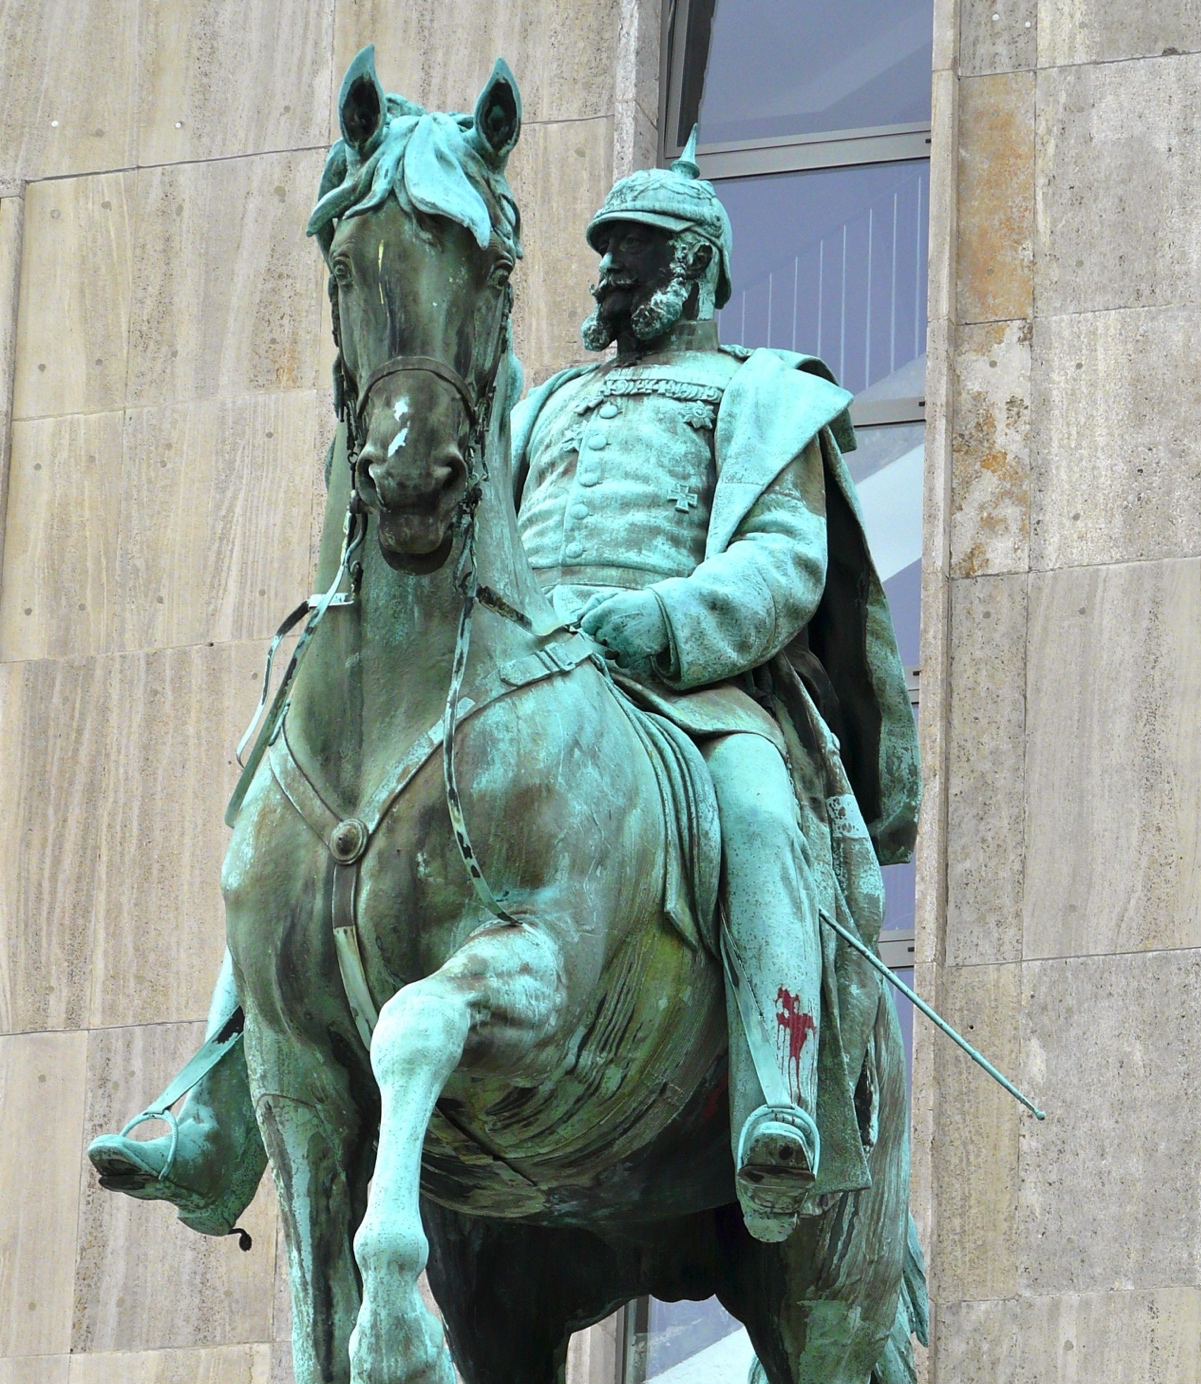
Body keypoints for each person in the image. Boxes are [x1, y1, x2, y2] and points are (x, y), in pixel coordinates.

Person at [88, 136, 920, 1246]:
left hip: (685, 687)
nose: (612, 273)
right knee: (304, 806)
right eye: (606, 252)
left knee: (763, 809)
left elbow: (780, 564)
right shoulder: (548, 404)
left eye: (641, 250)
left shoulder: (763, 396)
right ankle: (217, 1105)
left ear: (702, 267)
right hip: (520, 668)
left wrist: (658, 622)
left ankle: (778, 1102)